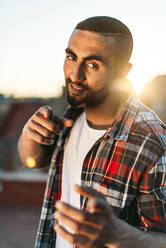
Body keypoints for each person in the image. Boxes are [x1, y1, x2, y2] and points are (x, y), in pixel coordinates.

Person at [18, 16, 166, 248]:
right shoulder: (68, 117)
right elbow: (32, 162)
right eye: (71, 57)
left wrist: (120, 235)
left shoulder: (152, 140)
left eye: (92, 64)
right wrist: (28, 136)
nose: (75, 75)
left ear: (123, 71)